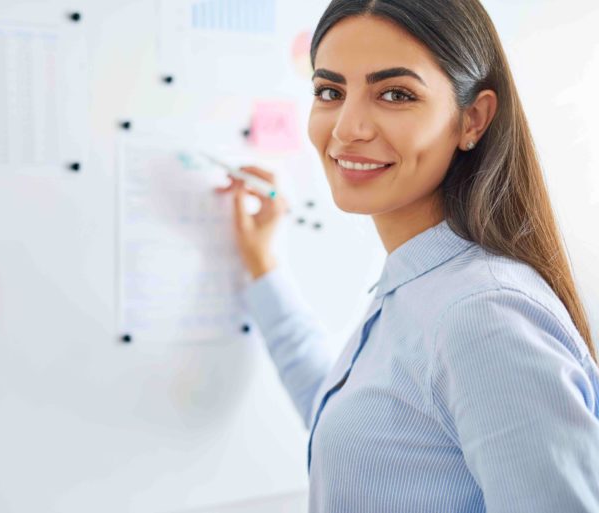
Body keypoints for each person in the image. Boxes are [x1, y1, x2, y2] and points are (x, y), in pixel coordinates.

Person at [215, 1, 599, 512]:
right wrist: (262, 266)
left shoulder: (482, 316)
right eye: (330, 91)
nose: (348, 127)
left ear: (473, 120)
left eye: (395, 94)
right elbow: (354, 428)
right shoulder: (420, 282)